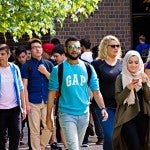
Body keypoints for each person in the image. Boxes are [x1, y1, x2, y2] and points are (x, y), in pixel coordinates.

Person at [46, 36, 108, 150]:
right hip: (66, 114)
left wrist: (103, 108)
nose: (74, 50)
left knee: (75, 147)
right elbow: (51, 95)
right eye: (71, 47)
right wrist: (48, 117)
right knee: (74, 147)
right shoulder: (57, 70)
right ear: (66, 49)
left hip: (84, 114)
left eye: (77, 47)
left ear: (80, 49)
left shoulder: (88, 68)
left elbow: (96, 91)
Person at [113, 50, 150, 150]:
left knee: (142, 145)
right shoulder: (120, 78)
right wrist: (128, 88)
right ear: (125, 63)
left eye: (136, 62)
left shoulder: (143, 76)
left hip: (143, 117)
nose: (133, 65)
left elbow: (148, 98)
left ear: (140, 63)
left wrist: (145, 83)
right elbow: (119, 100)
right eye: (130, 62)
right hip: (127, 117)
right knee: (134, 145)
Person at [21, 38, 54, 150]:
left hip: (47, 100)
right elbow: (24, 87)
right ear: (30, 51)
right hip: (32, 101)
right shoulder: (26, 66)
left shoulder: (49, 64)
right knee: (34, 129)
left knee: (49, 126)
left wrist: (45, 72)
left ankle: (40, 147)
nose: (37, 49)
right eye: (34, 47)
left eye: (39, 47)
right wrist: (26, 104)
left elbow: (55, 83)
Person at [91, 35, 122, 150]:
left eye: (118, 46)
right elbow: (93, 87)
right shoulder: (97, 64)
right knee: (110, 135)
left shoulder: (122, 63)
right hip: (103, 106)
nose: (116, 48)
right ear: (105, 47)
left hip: (121, 106)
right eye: (113, 46)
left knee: (119, 137)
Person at [0, 44, 26, 150]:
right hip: (1, 110)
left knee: (16, 135)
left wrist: (24, 108)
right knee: (1, 138)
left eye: (2, 54)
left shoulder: (14, 68)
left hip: (14, 109)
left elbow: (21, 88)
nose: (0, 56)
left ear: (8, 54)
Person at [15, 46, 32, 149]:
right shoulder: (15, 68)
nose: (21, 59)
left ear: (26, 56)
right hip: (19, 98)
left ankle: (31, 144)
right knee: (20, 123)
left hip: (29, 96)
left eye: (23, 56)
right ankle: (19, 139)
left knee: (31, 125)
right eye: (19, 57)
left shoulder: (28, 66)